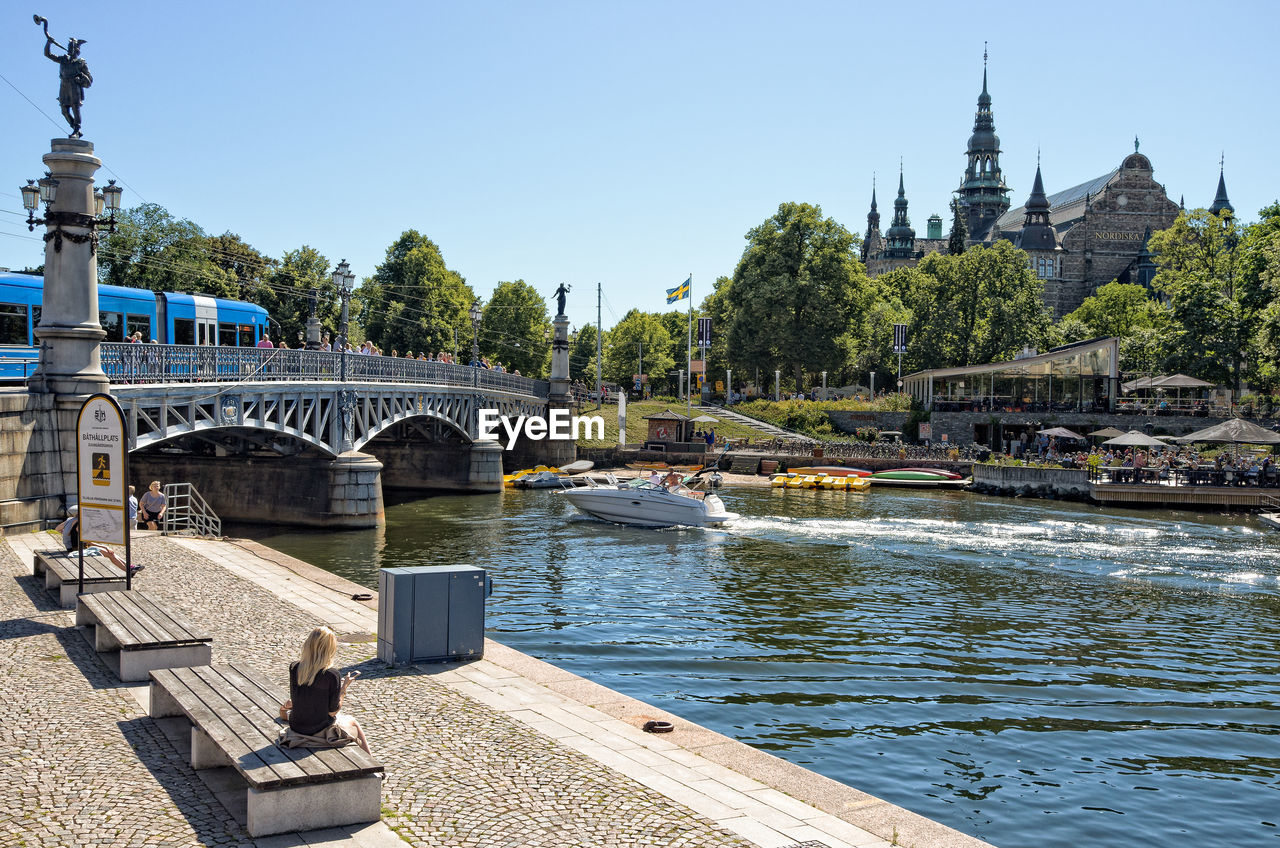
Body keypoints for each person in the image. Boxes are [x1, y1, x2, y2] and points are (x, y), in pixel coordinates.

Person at [278, 626, 370, 753]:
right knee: (353, 722)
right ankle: (375, 768)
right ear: (329, 649)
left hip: (297, 727)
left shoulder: (295, 668)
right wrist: (343, 689)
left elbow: (301, 695)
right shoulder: (331, 675)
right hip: (319, 730)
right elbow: (333, 711)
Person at [56, 506, 141, 576]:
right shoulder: (81, 524)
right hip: (78, 550)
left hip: (75, 548)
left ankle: (130, 567)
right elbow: (88, 541)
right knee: (109, 553)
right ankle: (128, 571)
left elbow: (58, 529)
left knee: (111, 553)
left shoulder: (72, 521)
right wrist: (104, 546)